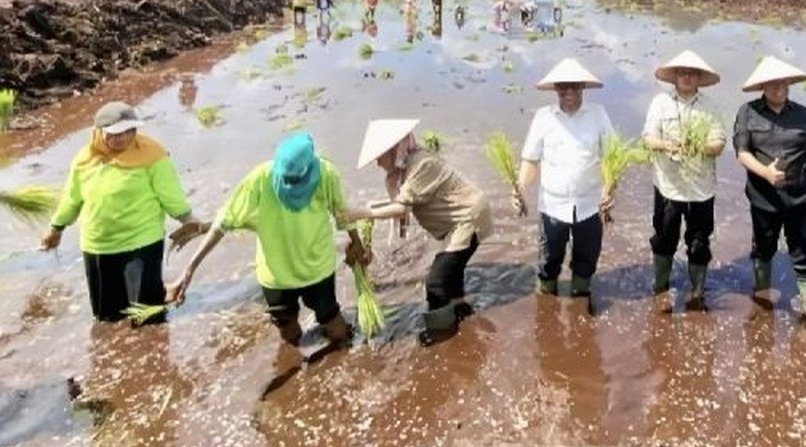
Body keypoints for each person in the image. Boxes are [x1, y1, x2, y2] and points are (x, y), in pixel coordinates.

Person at [167, 133, 370, 346]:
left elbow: (342, 214)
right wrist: (189, 268)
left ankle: (319, 361)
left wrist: (357, 242)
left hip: (313, 270)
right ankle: (318, 360)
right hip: (280, 274)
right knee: (290, 326)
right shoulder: (261, 178)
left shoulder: (325, 175)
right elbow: (223, 223)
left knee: (329, 319)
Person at [39, 101, 208, 324]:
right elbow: (72, 199)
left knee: (147, 317)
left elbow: (170, 194)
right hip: (98, 245)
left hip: (142, 242)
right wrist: (56, 228)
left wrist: (187, 219)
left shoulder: (152, 155)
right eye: (115, 133)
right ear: (98, 132)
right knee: (106, 318)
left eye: (129, 131)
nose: (123, 138)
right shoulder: (84, 160)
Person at [342, 119, 493, 346]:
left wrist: (362, 214)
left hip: (467, 218)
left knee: (436, 282)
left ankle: (443, 333)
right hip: (455, 223)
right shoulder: (401, 171)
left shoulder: (421, 164)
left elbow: (403, 207)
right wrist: (368, 227)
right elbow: (402, 207)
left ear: (393, 150)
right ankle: (460, 308)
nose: (377, 163)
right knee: (452, 271)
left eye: (379, 157)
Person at [732, 56, 806, 325]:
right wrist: (765, 173)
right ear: (763, 86)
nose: (779, 88)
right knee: (763, 250)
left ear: (789, 84)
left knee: (805, 254)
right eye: (773, 84)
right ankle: (762, 306)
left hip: (801, 197)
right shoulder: (747, 112)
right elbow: (741, 153)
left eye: (783, 83)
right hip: (764, 199)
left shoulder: (804, 114)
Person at [513, 58, 615, 298]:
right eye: (563, 86)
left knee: (586, 260)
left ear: (582, 87)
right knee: (548, 262)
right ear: (556, 88)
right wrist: (519, 190)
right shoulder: (543, 117)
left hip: (590, 205)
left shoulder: (598, 115)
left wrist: (609, 191)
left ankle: (581, 296)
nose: (568, 91)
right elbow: (530, 159)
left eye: (574, 86)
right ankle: (547, 302)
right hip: (552, 206)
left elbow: (612, 158)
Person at [641, 50, 726, 309]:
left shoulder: (711, 106)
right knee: (664, 238)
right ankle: (660, 287)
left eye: (692, 73)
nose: (687, 77)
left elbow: (719, 142)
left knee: (700, 242)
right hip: (668, 186)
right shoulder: (660, 103)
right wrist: (666, 145)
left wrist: (699, 146)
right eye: (682, 72)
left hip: (701, 189)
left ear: (699, 78)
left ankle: (697, 290)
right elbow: (648, 138)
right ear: (675, 77)